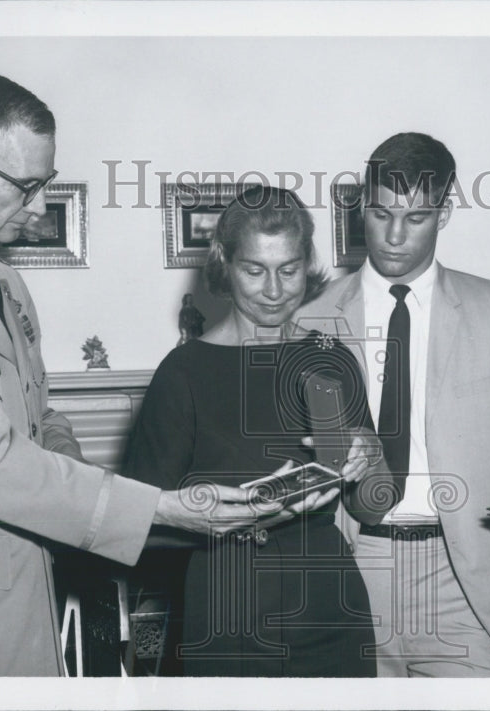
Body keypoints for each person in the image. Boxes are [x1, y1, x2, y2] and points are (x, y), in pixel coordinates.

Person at [0, 71, 285, 676]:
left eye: (45, 183)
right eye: (25, 186)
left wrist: (84, 477)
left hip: (22, 598)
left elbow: (40, 417)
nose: (37, 206)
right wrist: (158, 508)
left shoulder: (2, 281)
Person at [297, 133, 490, 677]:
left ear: (445, 212)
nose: (393, 236)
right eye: (380, 213)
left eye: (415, 217)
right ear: (360, 206)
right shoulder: (311, 320)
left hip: (465, 576)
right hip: (353, 568)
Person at [122, 185, 394, 677]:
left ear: (306, 263)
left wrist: (370, 453)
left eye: (288, 270)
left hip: (331, 611)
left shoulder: (330, 358)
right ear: (223, 262)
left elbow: (374, 505)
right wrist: (222, 511)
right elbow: (140, 524)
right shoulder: (184, 371)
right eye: (254, 270)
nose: (274, 290)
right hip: (227, 612)